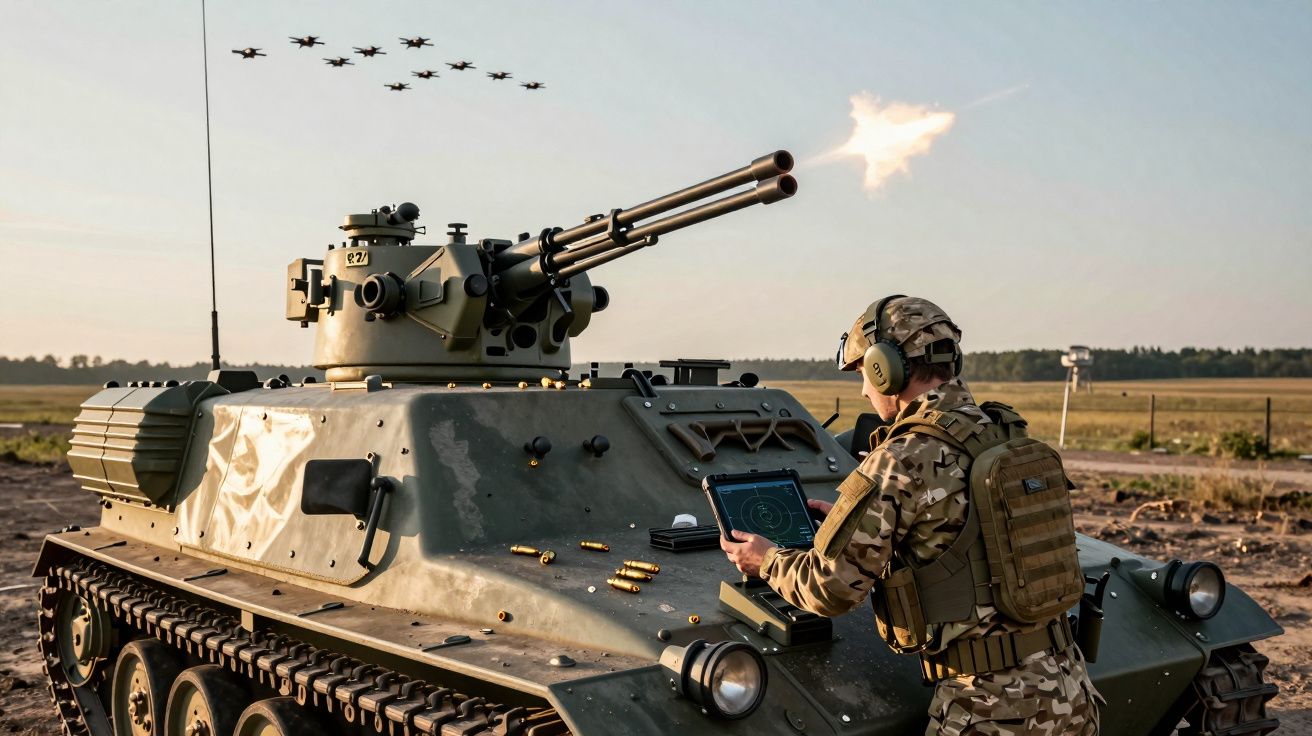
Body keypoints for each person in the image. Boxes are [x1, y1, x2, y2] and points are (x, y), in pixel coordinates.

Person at [721, 295, 1101, 735]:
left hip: (993, 709)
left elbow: (829, 589)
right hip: (1069, 693)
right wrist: (861, 528)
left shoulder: (900, 458)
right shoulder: (1003, 434)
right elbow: (974, 542)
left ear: (886, 369)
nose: (864, 390)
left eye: (863, 374)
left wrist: (766, 559)